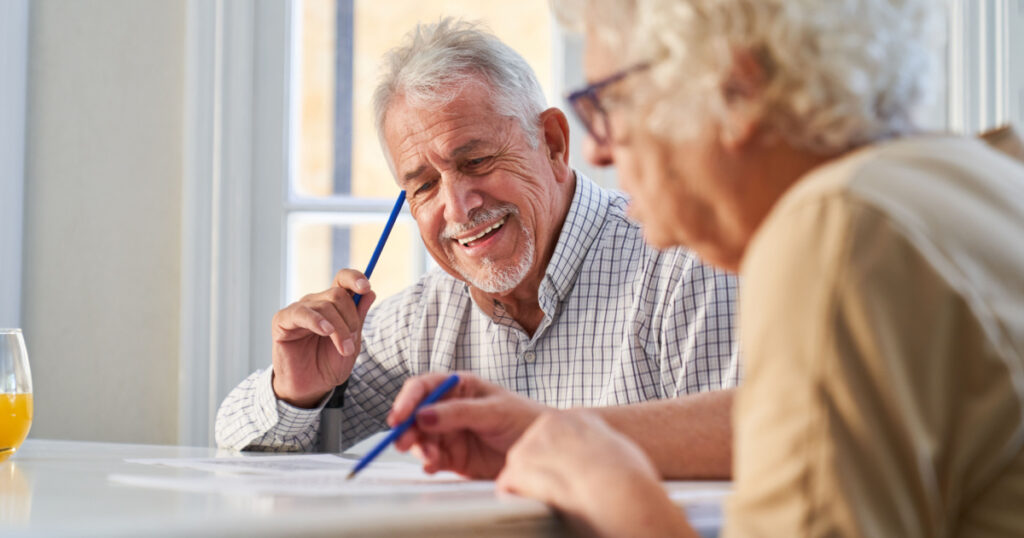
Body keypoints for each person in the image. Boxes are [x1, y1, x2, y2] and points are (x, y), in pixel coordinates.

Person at [391, 1, 1024, 536]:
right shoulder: (976, 177)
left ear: (735, 89)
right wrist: (556, 430)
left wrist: (615, 498)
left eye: (608, 102)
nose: (597, 148)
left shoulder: (835, 229)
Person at [214, 18, 740, 476]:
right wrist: (296, 392)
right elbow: (236, 440)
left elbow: (751, 456)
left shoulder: (684, 271)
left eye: (476, 161)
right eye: (423, 186)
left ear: (553, 143)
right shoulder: (428, 316)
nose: (459, 207)